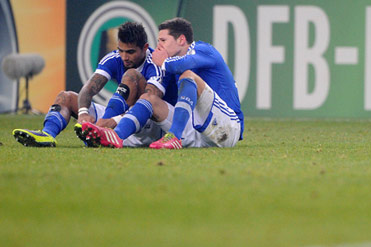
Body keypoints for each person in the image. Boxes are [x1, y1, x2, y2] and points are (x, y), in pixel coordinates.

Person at [81, 17, 244, 149]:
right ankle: (116, 136)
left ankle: (174, 137)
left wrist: (164, 62)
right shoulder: (167, 66)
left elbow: (185, 64)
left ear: (181, 40)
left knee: (188, 76)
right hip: (195, 132)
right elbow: (152, 97)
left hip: (226, 128)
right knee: (149, 98)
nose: (158, 46)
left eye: (163, 40)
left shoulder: (203, 50)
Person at [12, 21, 164, 147]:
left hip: (145, 126)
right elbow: (89, 88)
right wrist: (83, 113)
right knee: (66, 97)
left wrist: (114, 120)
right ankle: (47, 134)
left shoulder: (155, 63)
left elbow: (150, 103)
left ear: (144, 48)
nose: (124, 57)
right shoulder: (114, 58)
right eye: (121, 50)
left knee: (131, 76)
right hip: (116, 119)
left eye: (130, 52)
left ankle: (100, 131)